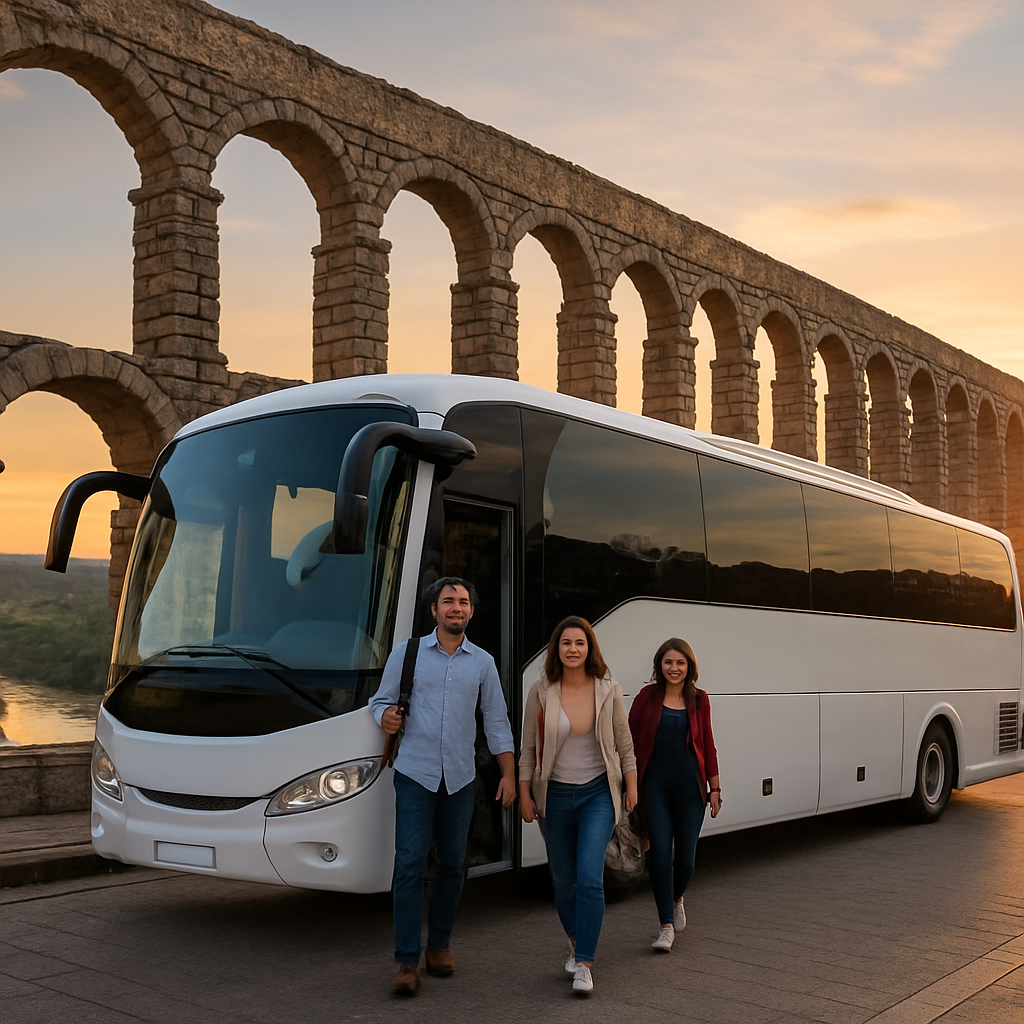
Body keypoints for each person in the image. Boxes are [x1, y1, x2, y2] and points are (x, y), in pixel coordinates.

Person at [371, 577, 516, 995]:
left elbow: (496, 721)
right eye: (448, 601)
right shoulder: (408, 653)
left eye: (464, 602)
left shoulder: (482, 663)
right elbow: (379, 701)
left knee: (454, 864)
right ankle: (406, 961)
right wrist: (385, 718)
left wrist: (508, 773)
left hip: (460, 778)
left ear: (471, 612)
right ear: (433, 609)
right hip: (415, 774)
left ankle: (439, 945)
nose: (456, 607)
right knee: (410, 865)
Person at [519, 616, 637, 997]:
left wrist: (631, 788)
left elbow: (625, 744)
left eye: (580, 643)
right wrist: (524, 793)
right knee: (563, 881)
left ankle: (584, 961)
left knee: (589, 877)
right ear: (557, 649)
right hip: (554, 797)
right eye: (566, 643)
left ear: (590, 649)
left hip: (597, 795)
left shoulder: (608, 689)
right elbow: (529, 751)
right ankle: (574, 939)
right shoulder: (541, 691)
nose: (572, 649)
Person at [628, 638, 721, 953]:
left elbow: (707, 743)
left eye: (680, 663)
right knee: (659, 857)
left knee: (686, 860)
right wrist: (628, 784)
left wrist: (715, 788)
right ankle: (665, 926)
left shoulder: (699, 700)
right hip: (654, 786)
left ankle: (677, 897)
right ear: (660, 666)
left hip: (690, 790)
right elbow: (628, 742)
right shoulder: (646, 698)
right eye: (668, 662)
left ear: (689, 666)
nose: (674, 668)